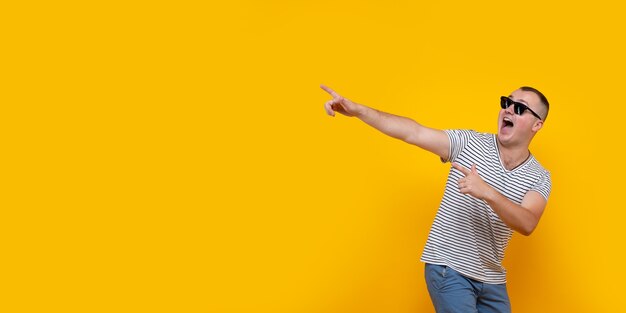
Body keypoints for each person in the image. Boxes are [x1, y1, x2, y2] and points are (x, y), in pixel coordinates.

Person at [321, 84, 552, 313]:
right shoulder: (469, 143)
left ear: (537, 124)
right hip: (449, 268)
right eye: (506, 102)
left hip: (492, 279)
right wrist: (359, 111)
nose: (509, 109)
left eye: (520, 108)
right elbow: (413, 132)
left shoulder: (539, 177)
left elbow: (528, 222)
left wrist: (487, 192)